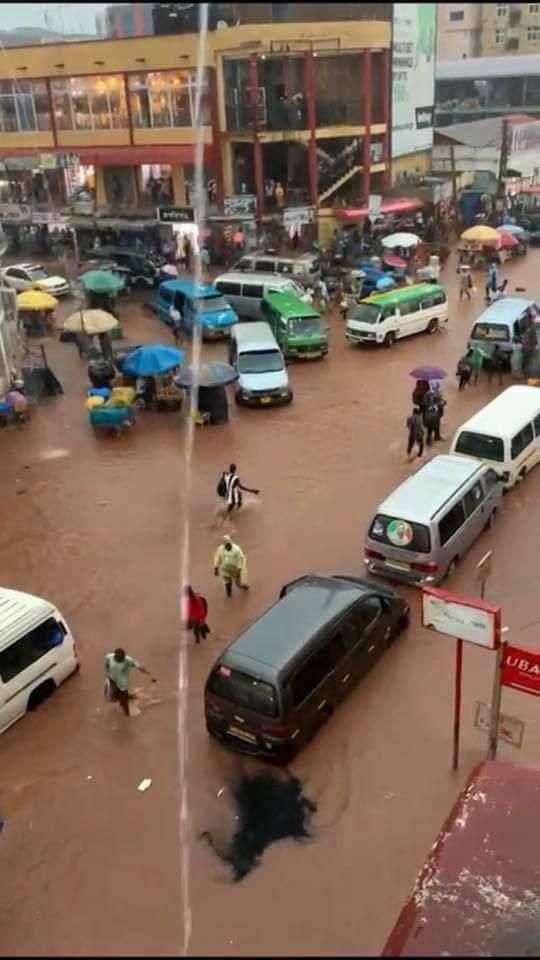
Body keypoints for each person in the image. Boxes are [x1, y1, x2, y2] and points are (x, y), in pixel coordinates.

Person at [104, 647, 155, 717]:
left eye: (122, 659)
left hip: (123, 683)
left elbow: (139, 667)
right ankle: (128, 697)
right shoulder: (109, 657)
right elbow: (107, 664)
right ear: (114, 656)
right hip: (111, 680)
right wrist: (107, 671)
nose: (121, 660)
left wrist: (149, 675)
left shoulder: (128, 660)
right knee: (110, 699)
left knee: (124, 704)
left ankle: (126, 715)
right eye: (119, 659)